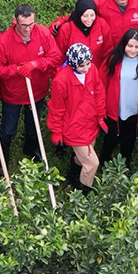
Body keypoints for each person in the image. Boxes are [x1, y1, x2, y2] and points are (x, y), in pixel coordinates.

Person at [0, 4, 62, 168]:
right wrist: (16, 70)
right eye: (23, 25)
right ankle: (3, 160)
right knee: (8, 129)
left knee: (33, 125)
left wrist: (35, 64)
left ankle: (31, 149)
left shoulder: (43, 33)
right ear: (15, 21)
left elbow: (55, 57)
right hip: (12, 95)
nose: (28, 29)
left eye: (31, 24)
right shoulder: (3, 41)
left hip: (36, 92)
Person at [48, 43, 107, 192]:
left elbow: (99, 93)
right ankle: (83, 193)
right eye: (82, 65)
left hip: (91, 123)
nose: (86, 68)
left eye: (88, 63)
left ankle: (73, 176)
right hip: (74, 128)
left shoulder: (92, 70)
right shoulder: (61, 81)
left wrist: (100, 117)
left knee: (82, 158)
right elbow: (57, 109)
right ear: (73, 64)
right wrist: (56, 131)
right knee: (92, 164)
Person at [100, 28, 138, 165]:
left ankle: (125, 164)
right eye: (130, 46)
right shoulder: (112, 59)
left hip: (135, 111)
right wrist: (101, 108)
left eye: (137, 47)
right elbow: (100, 85)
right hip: (113, 110)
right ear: (123, 44)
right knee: (110, 139)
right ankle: (104, 162)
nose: (133, 50)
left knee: (129, 140)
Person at [51, 0, 110, 64]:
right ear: (79, 14)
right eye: (85, 16)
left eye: (92, 15)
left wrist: (102, 70)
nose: (89, 19)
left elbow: (108, 52)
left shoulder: (102, 25)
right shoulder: (67, 28)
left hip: (96, 69)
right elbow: (58, 55)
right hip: (73, 70)